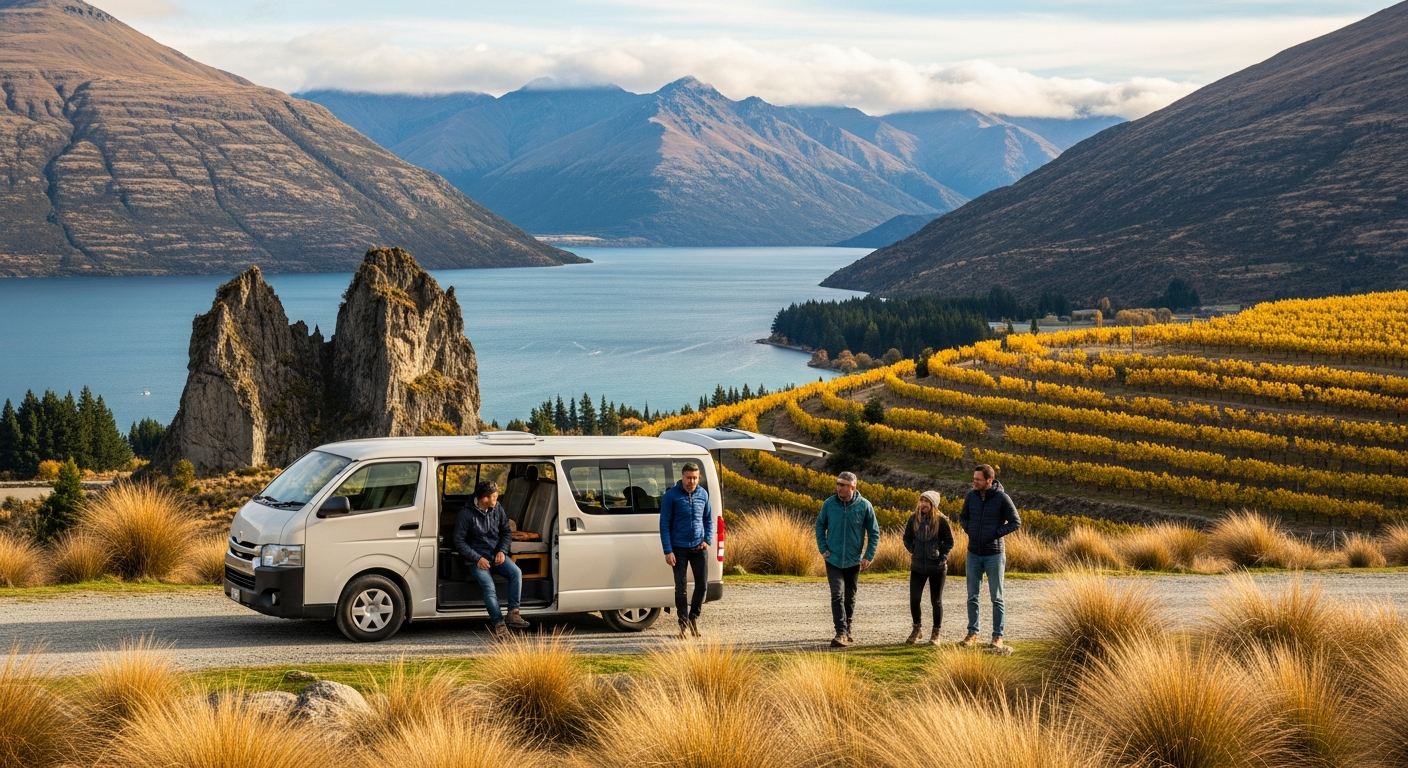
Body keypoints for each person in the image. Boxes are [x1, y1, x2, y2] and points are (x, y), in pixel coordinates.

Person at [453, 480, 529, 637]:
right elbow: (459, 542)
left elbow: (506, 532)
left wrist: (502, 550)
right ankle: (499, 624)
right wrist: (477, 558)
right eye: (495, 496)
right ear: (484, 497)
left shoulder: (497, 508)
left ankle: (513, 613)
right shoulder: (465, 514)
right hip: (477, 559)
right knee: (489, 587)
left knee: (516, 573)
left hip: (497, 556)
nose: (497, 498)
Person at [958, 464, 1020, 650]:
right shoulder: (971, 496)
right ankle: (972, 633)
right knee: (972, 597)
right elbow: (963, 517)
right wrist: (969, 530)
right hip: (973, 553)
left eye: (978, 479)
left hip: (994, 554)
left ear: (989, 480)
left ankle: (997, 637)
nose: (974, 481)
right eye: (974, 478)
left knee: (997, 598)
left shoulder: (1002, 498)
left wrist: (994, 533)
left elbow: (1016, 522)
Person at [816, 471, 880, 648]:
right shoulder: (829, 504)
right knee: (837, 594)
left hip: (854, 560)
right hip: (833, 559)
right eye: (837, 484)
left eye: (843, 485)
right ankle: (841, 632)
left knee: (850, 597)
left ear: (853, 487)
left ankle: (848, 625)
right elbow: (820, 525)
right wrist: (823, 549)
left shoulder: (865, 506)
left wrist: (868, 556)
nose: (839, 487)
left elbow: (874, 533)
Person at [660, 462, 712, 638]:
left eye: (695, 478)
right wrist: (668, 550)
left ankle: (693, 617)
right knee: (680, 588)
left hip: (699, 548)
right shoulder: (671, 496)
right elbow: (664, 525)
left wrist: (707, 540)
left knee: (702, 586)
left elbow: (708, 519)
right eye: (689, 478)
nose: (692, 481)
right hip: (678, 548)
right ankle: (682, 625)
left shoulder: (703, 494)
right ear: (682, 477)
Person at [902, 490, 953, 645]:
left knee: (936, 601)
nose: (923, 504)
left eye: (926, 501)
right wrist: (914, 549)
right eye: (921, 500)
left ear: (933, 505)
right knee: (914, 599)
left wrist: (943, 556)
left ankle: (936, 633)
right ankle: (916, 627)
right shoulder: (913, 519)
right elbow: (906, 537)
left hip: (936, 567)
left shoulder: (942, 521)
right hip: (917, 566)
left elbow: (949, 541)